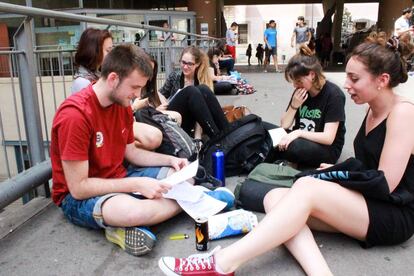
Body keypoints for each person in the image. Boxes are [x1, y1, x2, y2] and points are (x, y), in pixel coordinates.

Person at [158, 38, 414, 276]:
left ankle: (222, 263)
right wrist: (334, 173)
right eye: (347, 76)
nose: (346, 84)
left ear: (382, 80)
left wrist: (333, 177)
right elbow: (367, 164)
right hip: (367, 203)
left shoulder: (402, 113)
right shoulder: (372, 109)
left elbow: (385, 184)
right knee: (275, 198)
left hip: (392, 213)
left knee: (306, 186)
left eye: (354, 78)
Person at [52, 44, 188, 257]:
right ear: (113, 79)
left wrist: (170, 160)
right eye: (134, 87)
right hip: (77, 198)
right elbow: (78, 188)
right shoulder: (75, 115)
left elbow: (132, 153)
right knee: (136, 210)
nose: (137, 95)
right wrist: (136, 184)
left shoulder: (121, 105)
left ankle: (130, 223)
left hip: (118, 176)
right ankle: (192, 203)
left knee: (183, 177)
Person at [274, 45, 345, 168]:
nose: (295, 85)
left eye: (299, 81)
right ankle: (281, 155)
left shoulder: (334, 95)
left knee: (292, 147)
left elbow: (328, 138)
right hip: (301, 140)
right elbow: (284, 125)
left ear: (312, 75)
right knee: (267, 131)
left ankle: (282, 156)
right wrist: (294, 106)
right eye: (294, 81)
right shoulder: (301, 92)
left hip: (326, 149)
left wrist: (298, 133)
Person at [159, 46, 229, 139]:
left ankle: (228, 133)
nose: (185, 66)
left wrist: (197, 137)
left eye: (189, 64)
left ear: (197, 64)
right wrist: (163, 102)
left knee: (203, 89)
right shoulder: (175, 76)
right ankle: (218, 139)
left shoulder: (201, 79)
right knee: (191, 90)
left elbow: (201, 111)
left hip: (190, 119)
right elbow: (159, 93)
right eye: (183, 62)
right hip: (173, 116)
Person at [72, 28, 113, 94]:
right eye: (108, 50)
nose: (111, 54)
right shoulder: (83, 83)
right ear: (94, 51)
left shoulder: (98, 74)